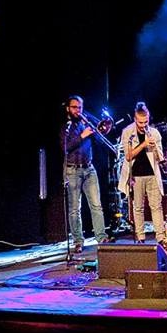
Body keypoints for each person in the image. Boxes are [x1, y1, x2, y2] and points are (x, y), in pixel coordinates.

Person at [118, 102, 167, 255]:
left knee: (156, 207)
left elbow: (160, 159)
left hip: (152, 175)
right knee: (138, 207)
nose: (143, 125)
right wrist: (143, 145)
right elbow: (128, 156)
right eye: (140, 122)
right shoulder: (127, 132)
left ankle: (161, 239)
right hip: (135, 175)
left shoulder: (154, 133)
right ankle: (141, 238)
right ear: (135, 119)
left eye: (146, 122)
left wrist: (155, 148)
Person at [60, 95, 109, 253]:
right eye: (74, 107)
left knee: (96, 205)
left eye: (80, 107)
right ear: (68, 108)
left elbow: (100, 137)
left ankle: (101, 238)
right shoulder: (66, 127)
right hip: (72, 169)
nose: (78, 110)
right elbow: (66, 147)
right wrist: (82, 135)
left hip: (89, 168)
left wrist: (102, 129)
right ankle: (78, 241)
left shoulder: (86, 121)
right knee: (74, 208)